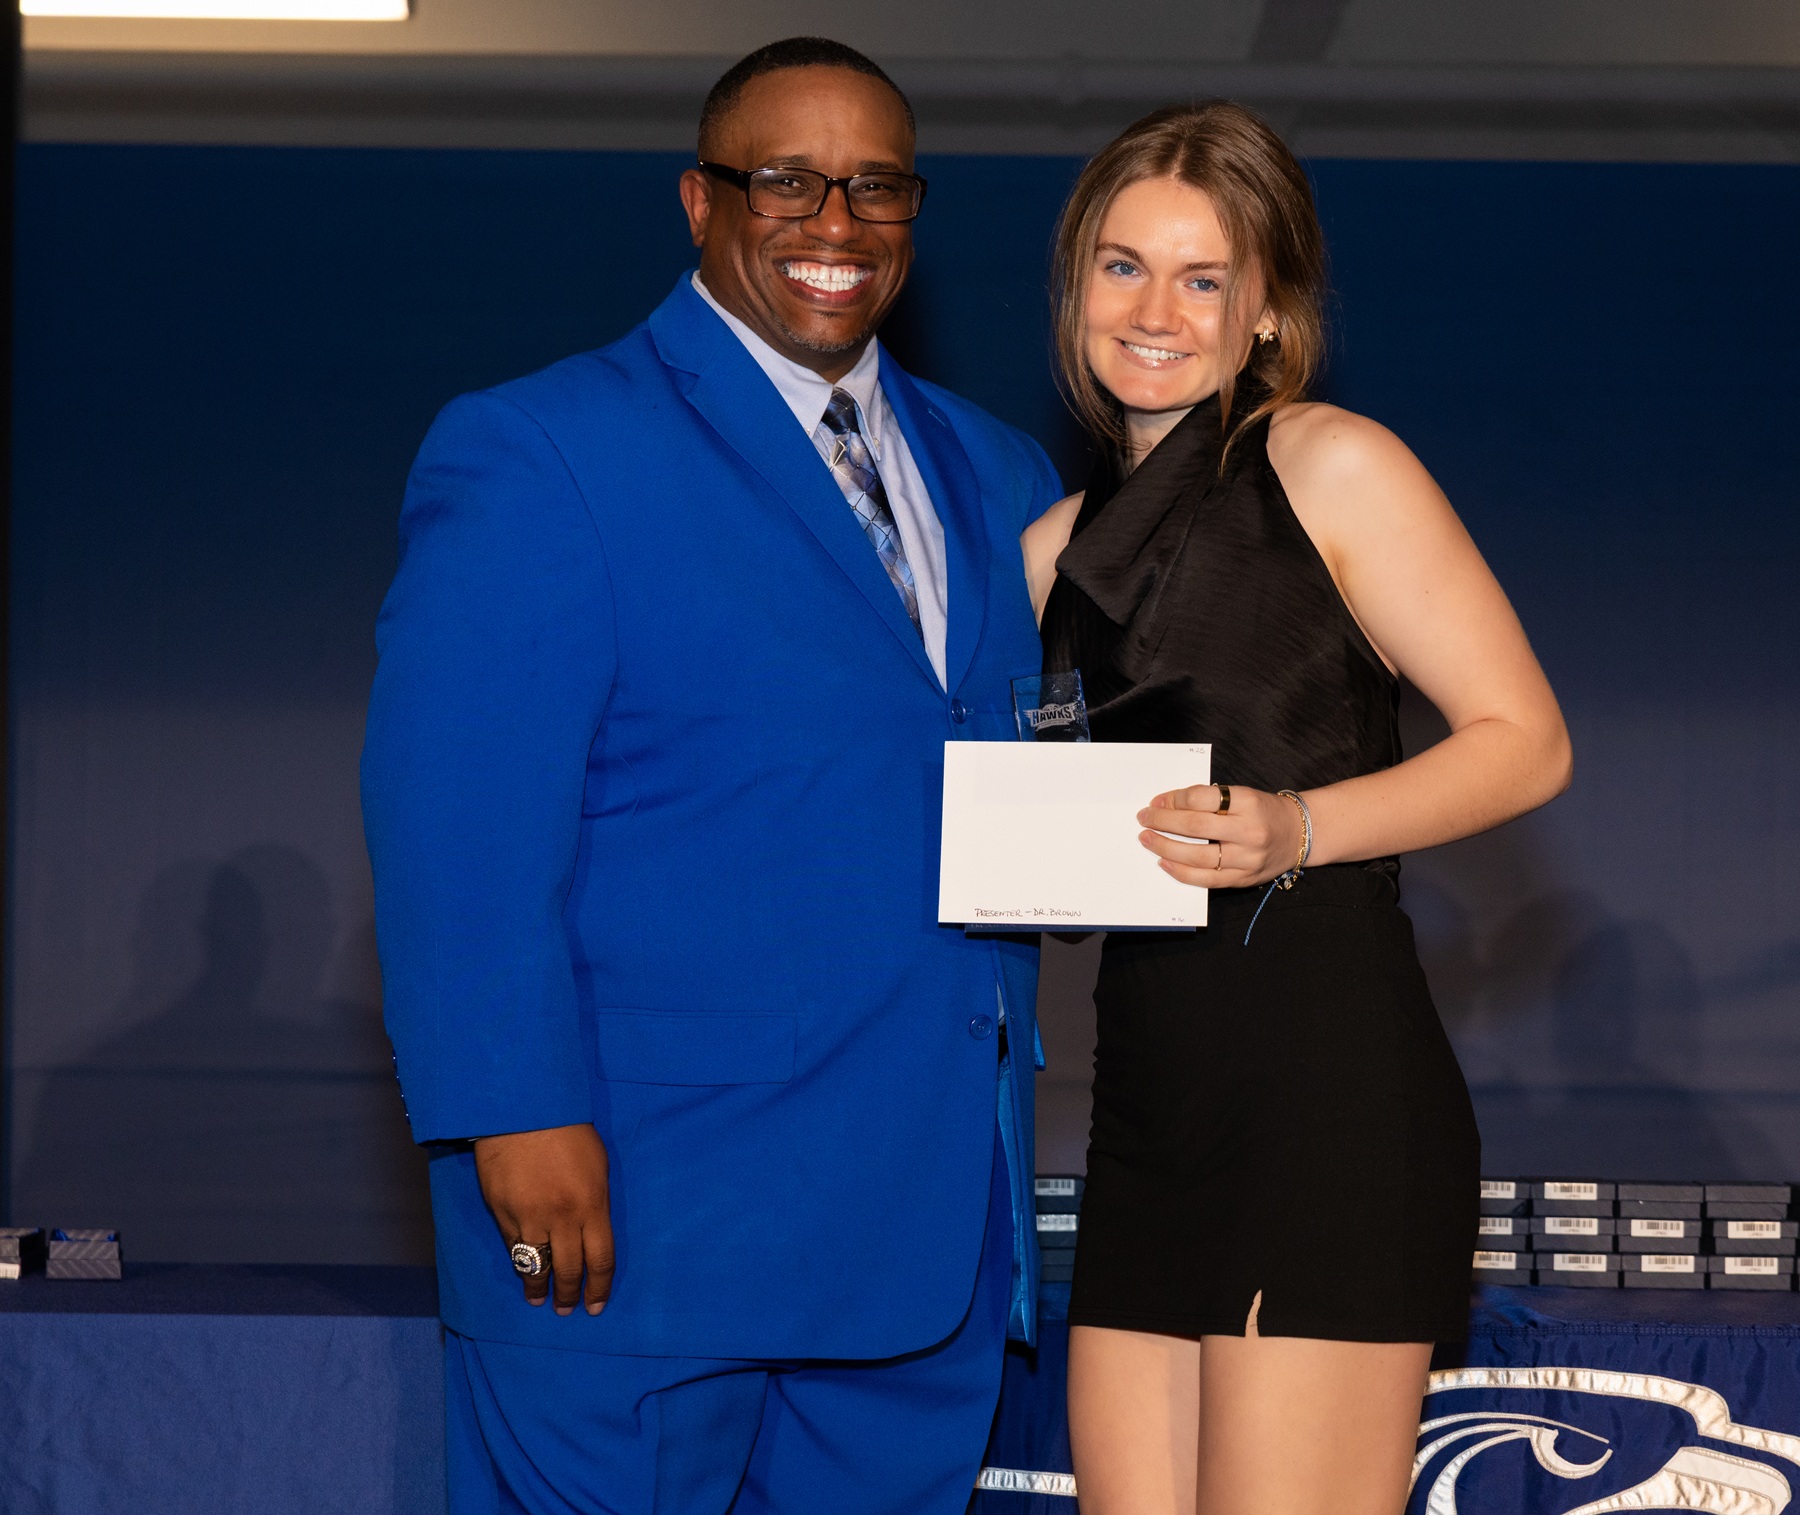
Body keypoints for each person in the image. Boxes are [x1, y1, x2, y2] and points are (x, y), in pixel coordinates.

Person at [362, 37, 1062, 1515]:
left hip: (921, 1235)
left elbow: (1015, 769)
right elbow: (459, 827)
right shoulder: (543, 447)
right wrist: (509, 1110)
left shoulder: (1000, 475)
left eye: (877, 185)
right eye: (787, 180)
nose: (836, 221)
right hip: (637, 1214)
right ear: (699, 200)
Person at [1020, 103, 1572, 1515]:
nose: (1156, 310)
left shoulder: (1335, 464)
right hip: (1145, 1115)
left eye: (1204, 279)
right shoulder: (1044, 555)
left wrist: (1299, 826)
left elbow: (1526, 743)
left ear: (1267, 311)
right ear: (1076, 279)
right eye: (1124, 265)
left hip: (1327, 1101)